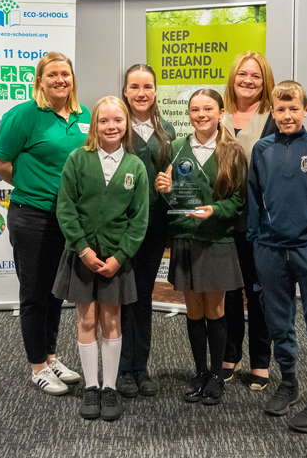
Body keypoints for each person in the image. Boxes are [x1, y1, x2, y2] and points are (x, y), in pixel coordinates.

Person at [0, 52, 89, 396]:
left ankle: (51, 357)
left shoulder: (83, 115)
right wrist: (31, 185)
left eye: (65, 74)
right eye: (52, 75)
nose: (60, 80)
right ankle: (37, 367)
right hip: (32, 216)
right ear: (40, 81)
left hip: (69, 219)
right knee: (33, 294)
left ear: (72, 78)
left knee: (55, 292)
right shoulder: (24, 115)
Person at [248, 80, 307, 433]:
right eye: (280, 109)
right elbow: (254, 198)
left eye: (293, 109)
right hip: (270, 250)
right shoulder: (261, 149)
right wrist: (255, 239)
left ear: (306, 110)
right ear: (271, 112)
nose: (287, 115)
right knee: (279, 323)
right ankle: (288, 382)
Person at [53, 96, 149, 421]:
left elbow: (139, 219)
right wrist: (83, 248)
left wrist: (120, 256)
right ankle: (91, 387)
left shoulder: (135, 167)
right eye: (104, 120)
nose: (111, 126)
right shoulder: (78, 159)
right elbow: (65, 207)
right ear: (94, 124)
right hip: (82, 255)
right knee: (86, 320)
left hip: (116, 259)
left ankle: (110, 387)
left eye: (118, 120)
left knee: (112, 320)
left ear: (127, 124)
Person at [155, 89, 247, 406]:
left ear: (221, 113)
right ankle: (200, 373)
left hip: (217, 239)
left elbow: (238, 201)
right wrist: (164, 189)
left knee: (215, 310)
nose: (201, 115)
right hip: (185, 238)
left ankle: (217, 376)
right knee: (194, 310)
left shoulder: (233, 151)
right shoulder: (176, 148)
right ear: (189, 114)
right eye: (195, 109)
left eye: (208, 109)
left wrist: (214, 210)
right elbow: (172, 196)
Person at [116, 64, 175, 399]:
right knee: (122, 293)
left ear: (155, 90)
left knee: (143, 293)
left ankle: (141, 367)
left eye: (148, 87)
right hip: (121, 225)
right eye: (135, 87)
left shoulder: (166, 130)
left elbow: (173, 178)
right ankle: (122, 368)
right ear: (125, 90)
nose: (141, 93)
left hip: (155, 223)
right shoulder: (115, 125)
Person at [220, 51, 277, 391]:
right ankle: (230, 354)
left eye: (256, 75)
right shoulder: (219, 114)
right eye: (243, 74)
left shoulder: (274, 117)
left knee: (258, 292)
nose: (248, 80)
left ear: (265, 81)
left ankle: (260, 360)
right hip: (224, 219)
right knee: (228, 291)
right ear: (233, 77)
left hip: (259, 222)